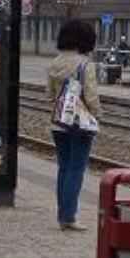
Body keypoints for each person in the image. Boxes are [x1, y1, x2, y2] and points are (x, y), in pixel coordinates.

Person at [45, 19, 102, 231]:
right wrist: (97, 115)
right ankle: (68, 216)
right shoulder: (85, 64)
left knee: (64, 168)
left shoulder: (54, 63)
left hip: (58, 123)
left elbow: (49, 95)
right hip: (80, 124)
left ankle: (63, 214)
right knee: (76, 169)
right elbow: (91, 96)